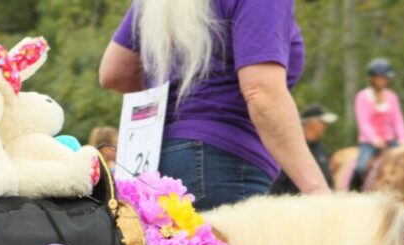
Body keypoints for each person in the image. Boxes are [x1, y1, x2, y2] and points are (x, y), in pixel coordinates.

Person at [99, 0, 329, 211]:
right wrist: (316, 189)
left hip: (153, 160)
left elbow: (113, 73)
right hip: (224, 162)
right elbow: (261, 91)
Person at [350, 58, 404, 190]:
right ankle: (354, 192)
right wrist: (374, 139)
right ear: (372, 78)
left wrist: (403, 140)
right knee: (360, 168)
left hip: (390, 141)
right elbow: (363, 121)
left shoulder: (392, 97)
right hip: (370, 142)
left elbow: (398, 120)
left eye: (385, 78)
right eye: (380, 78)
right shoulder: (363, 96)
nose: (382, 81)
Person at [271, 103, 336, 194]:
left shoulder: (319, 147)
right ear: (311, 123)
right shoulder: (292, 148)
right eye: (322, 122)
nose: (325, 126)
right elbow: (279, 183)